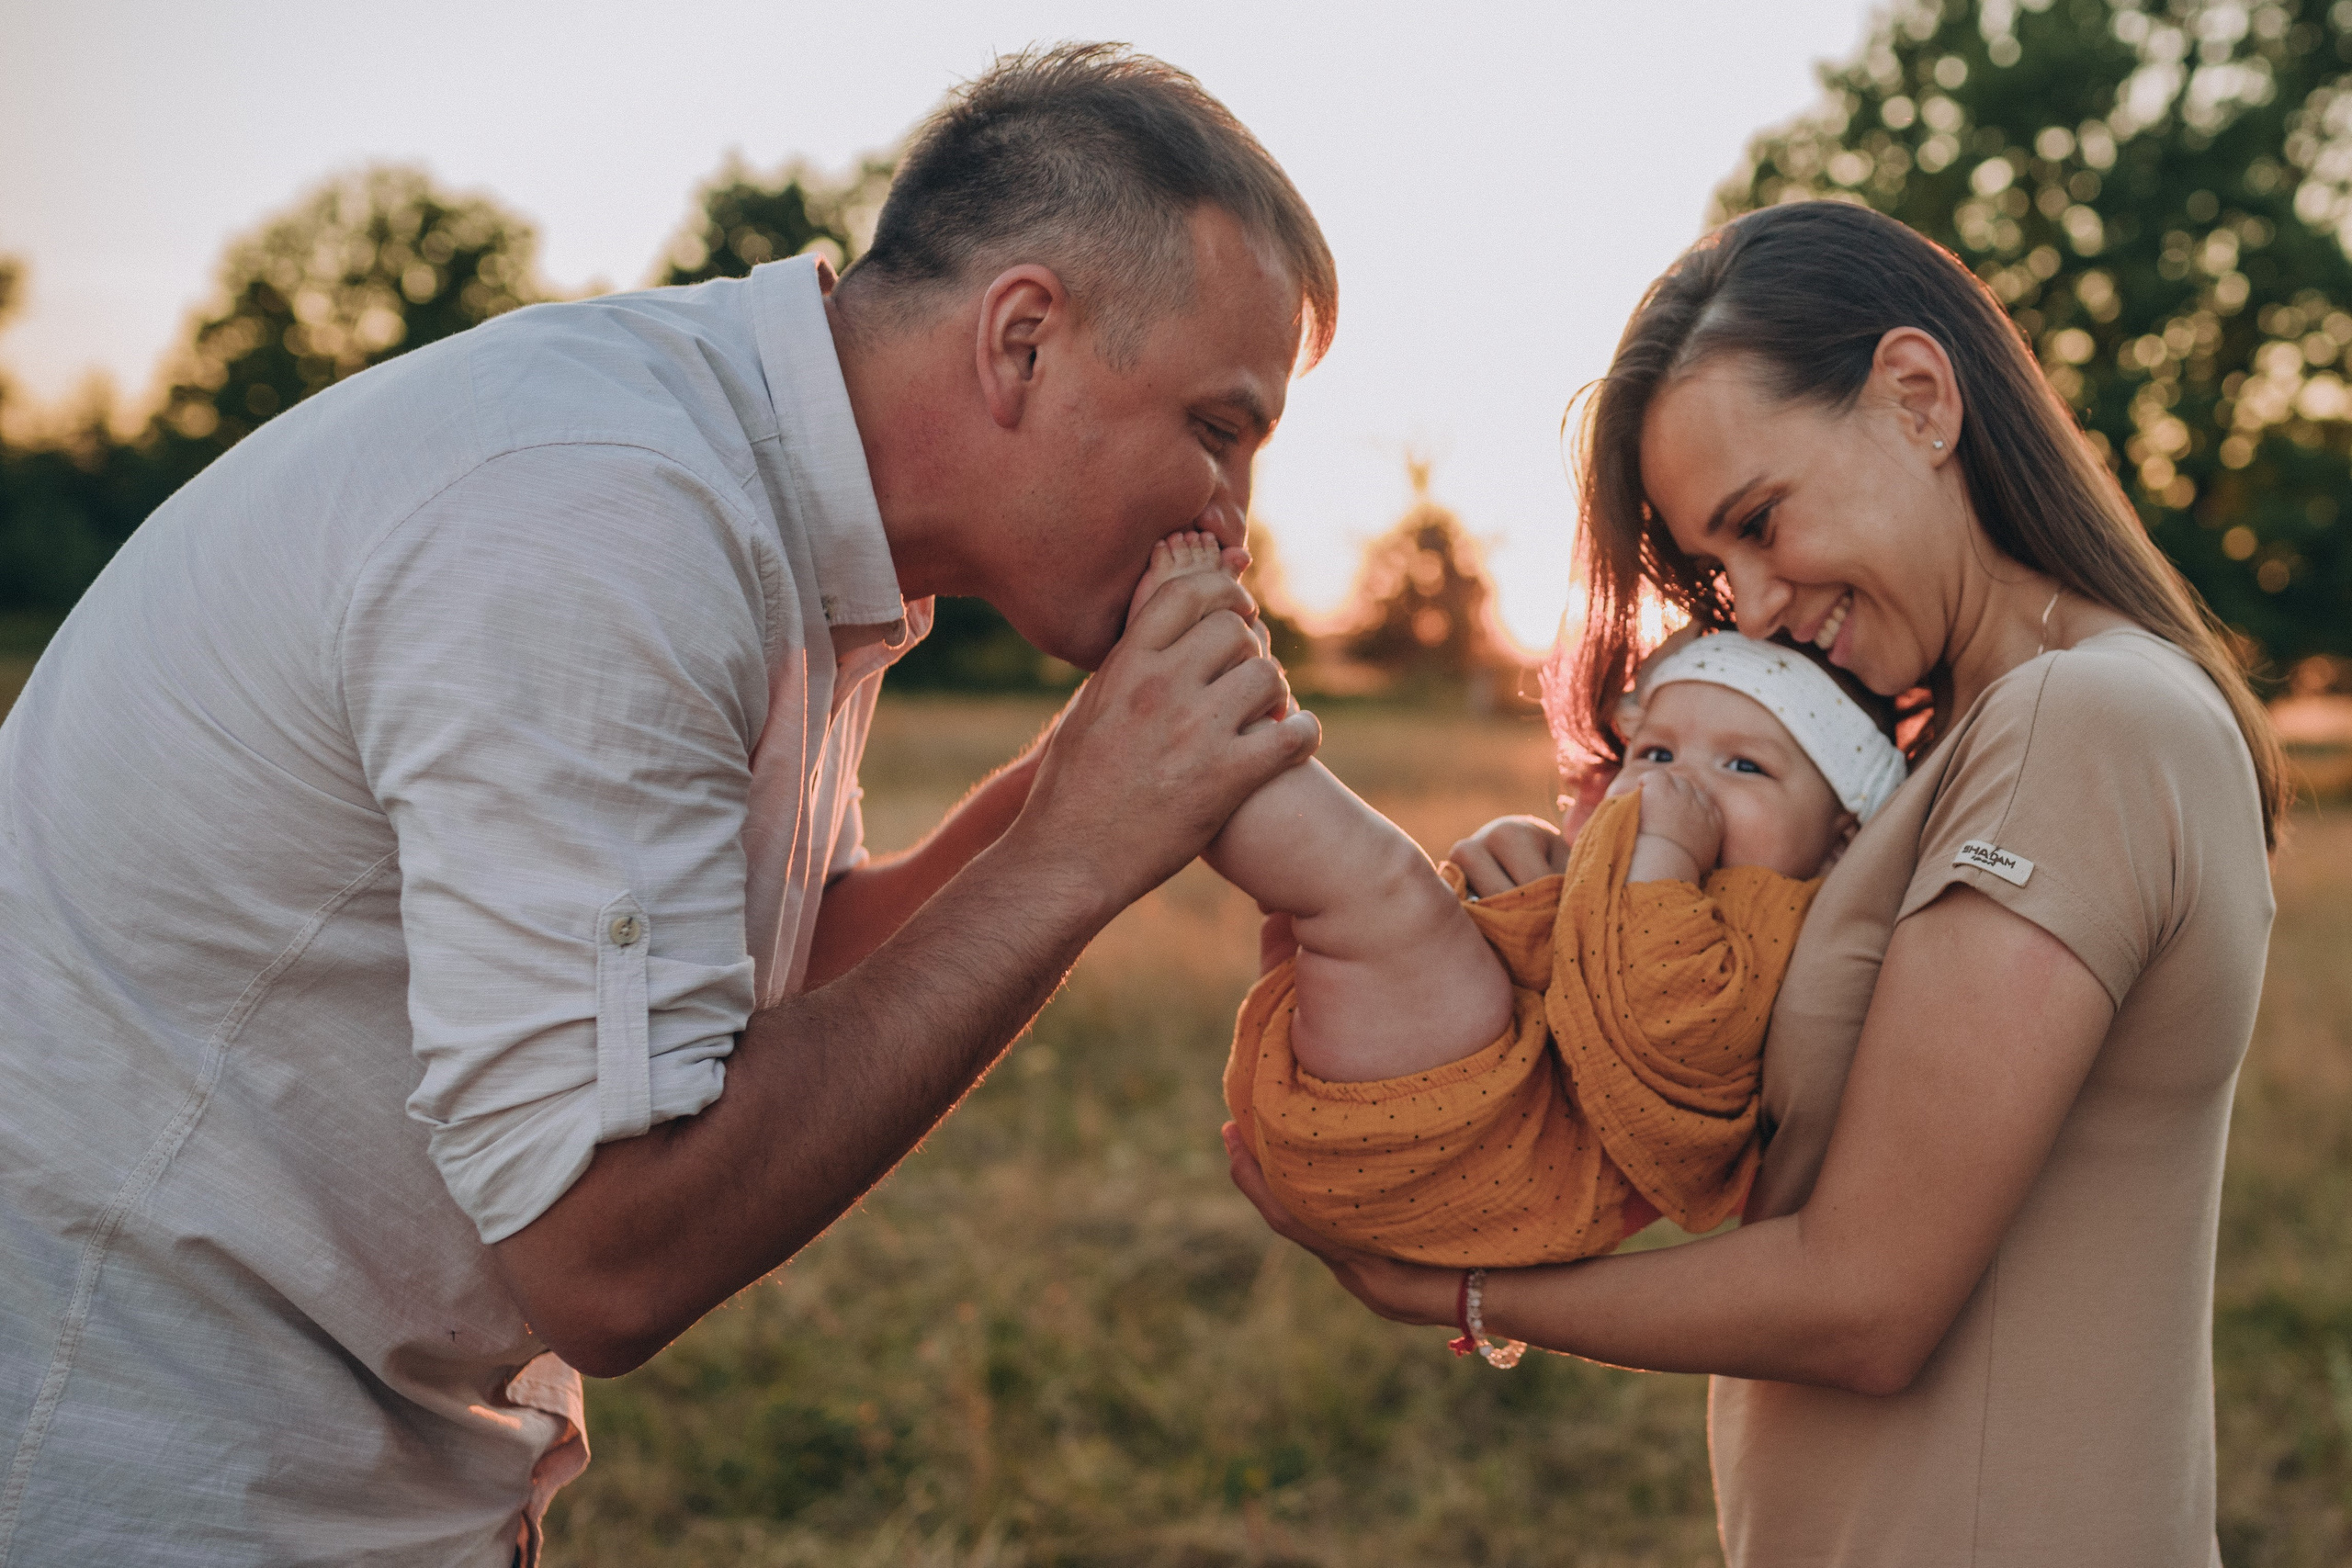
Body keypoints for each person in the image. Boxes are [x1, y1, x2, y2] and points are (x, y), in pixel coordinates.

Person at [0, 45, 1331, 1564]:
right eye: (1221, 432)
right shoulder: (603, 523)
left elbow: (775, 985)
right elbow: (608, 1253)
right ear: (1022, 341)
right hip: (126, 1470)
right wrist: (1080, 850)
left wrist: (1083, 785)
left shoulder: (757, 493)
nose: (1235, 520)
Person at [1227, 199, 2285, 1565]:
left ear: (1918, 397)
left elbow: (1865, 1298)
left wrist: (1468, 1288)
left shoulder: (2078, 723)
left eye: (1762, 521)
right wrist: (1568, 928)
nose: (1759, 603)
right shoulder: (1978, 739)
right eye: (1715, 564)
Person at [1126, 522, 1906, 1272]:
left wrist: (1664, 854)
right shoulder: (1649, 879)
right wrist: (1525, 895)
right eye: (1658, 750)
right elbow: (1564, 977)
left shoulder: (1779, 917)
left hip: (1478, 1143)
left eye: (1745, 768)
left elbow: (1676, 1024)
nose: (1676, 782)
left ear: (1841, 839)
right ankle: (1215, 701)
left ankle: (1192, 681)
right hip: (1434, 1109)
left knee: (1379, 889)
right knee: (1362, 897)